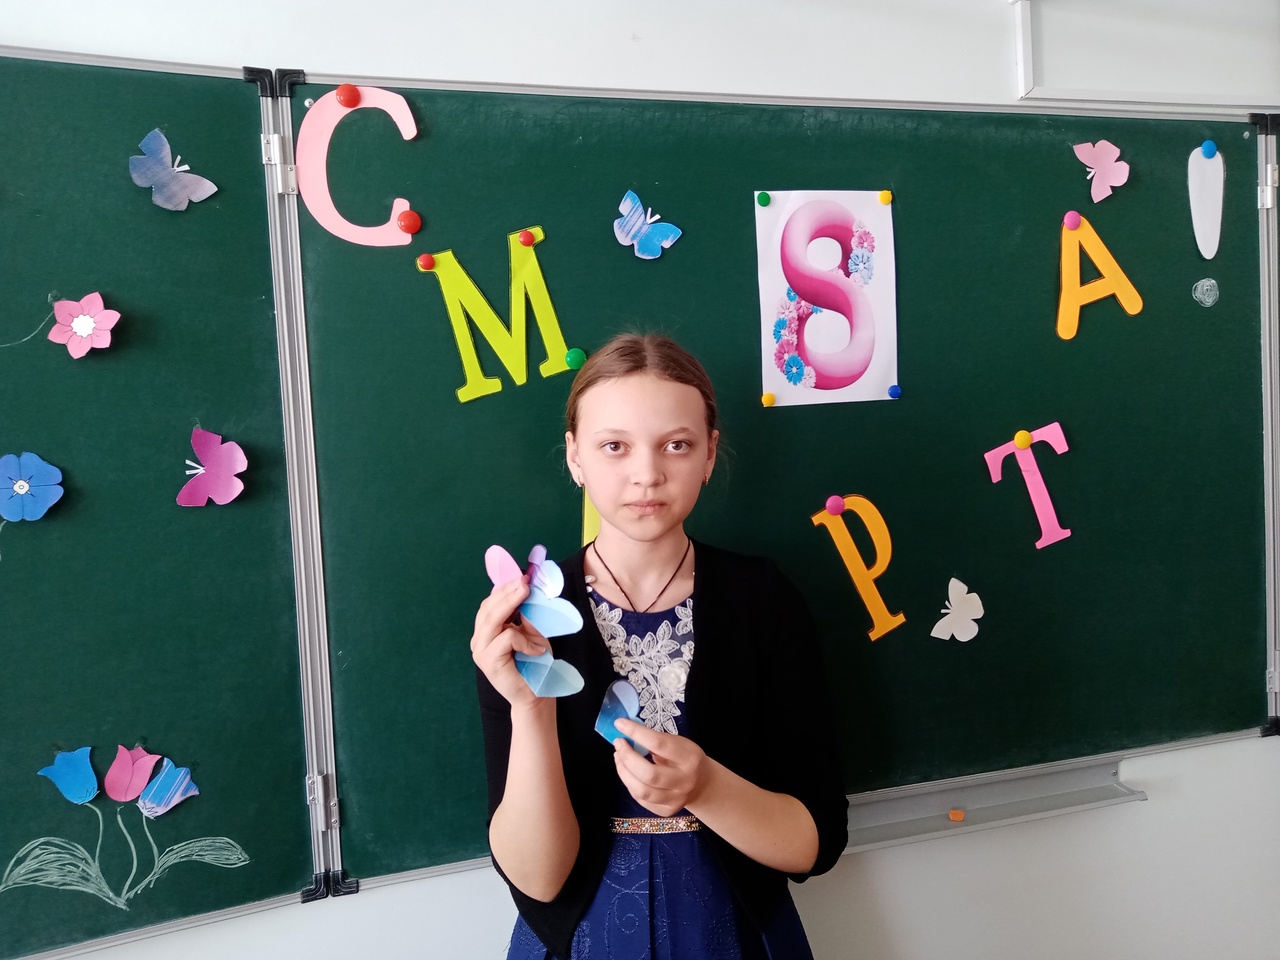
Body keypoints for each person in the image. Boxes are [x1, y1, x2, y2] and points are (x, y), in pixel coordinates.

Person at [472, 333, 847, 960]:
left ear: (709, 454)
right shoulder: (524, 622)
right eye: (614, 446)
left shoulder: (763, 599)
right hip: (582, 935)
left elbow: (816, 842)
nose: (646, 474)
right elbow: (538, 879)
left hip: (733, 929)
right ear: (575, 457)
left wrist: (705, 787)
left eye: (676, 444)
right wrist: (530, 705)